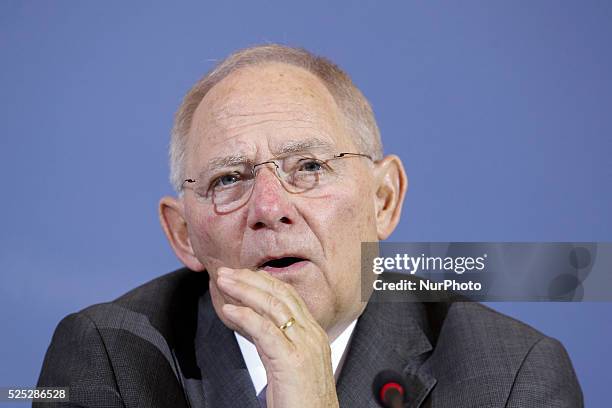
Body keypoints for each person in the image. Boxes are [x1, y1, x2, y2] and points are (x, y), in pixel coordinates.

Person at [36, 44, 583, 407]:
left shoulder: (512, 376)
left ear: (383, 200)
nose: (270, 208)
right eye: (229, 179)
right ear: (184, 235)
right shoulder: (109, 357)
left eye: (310, 168)